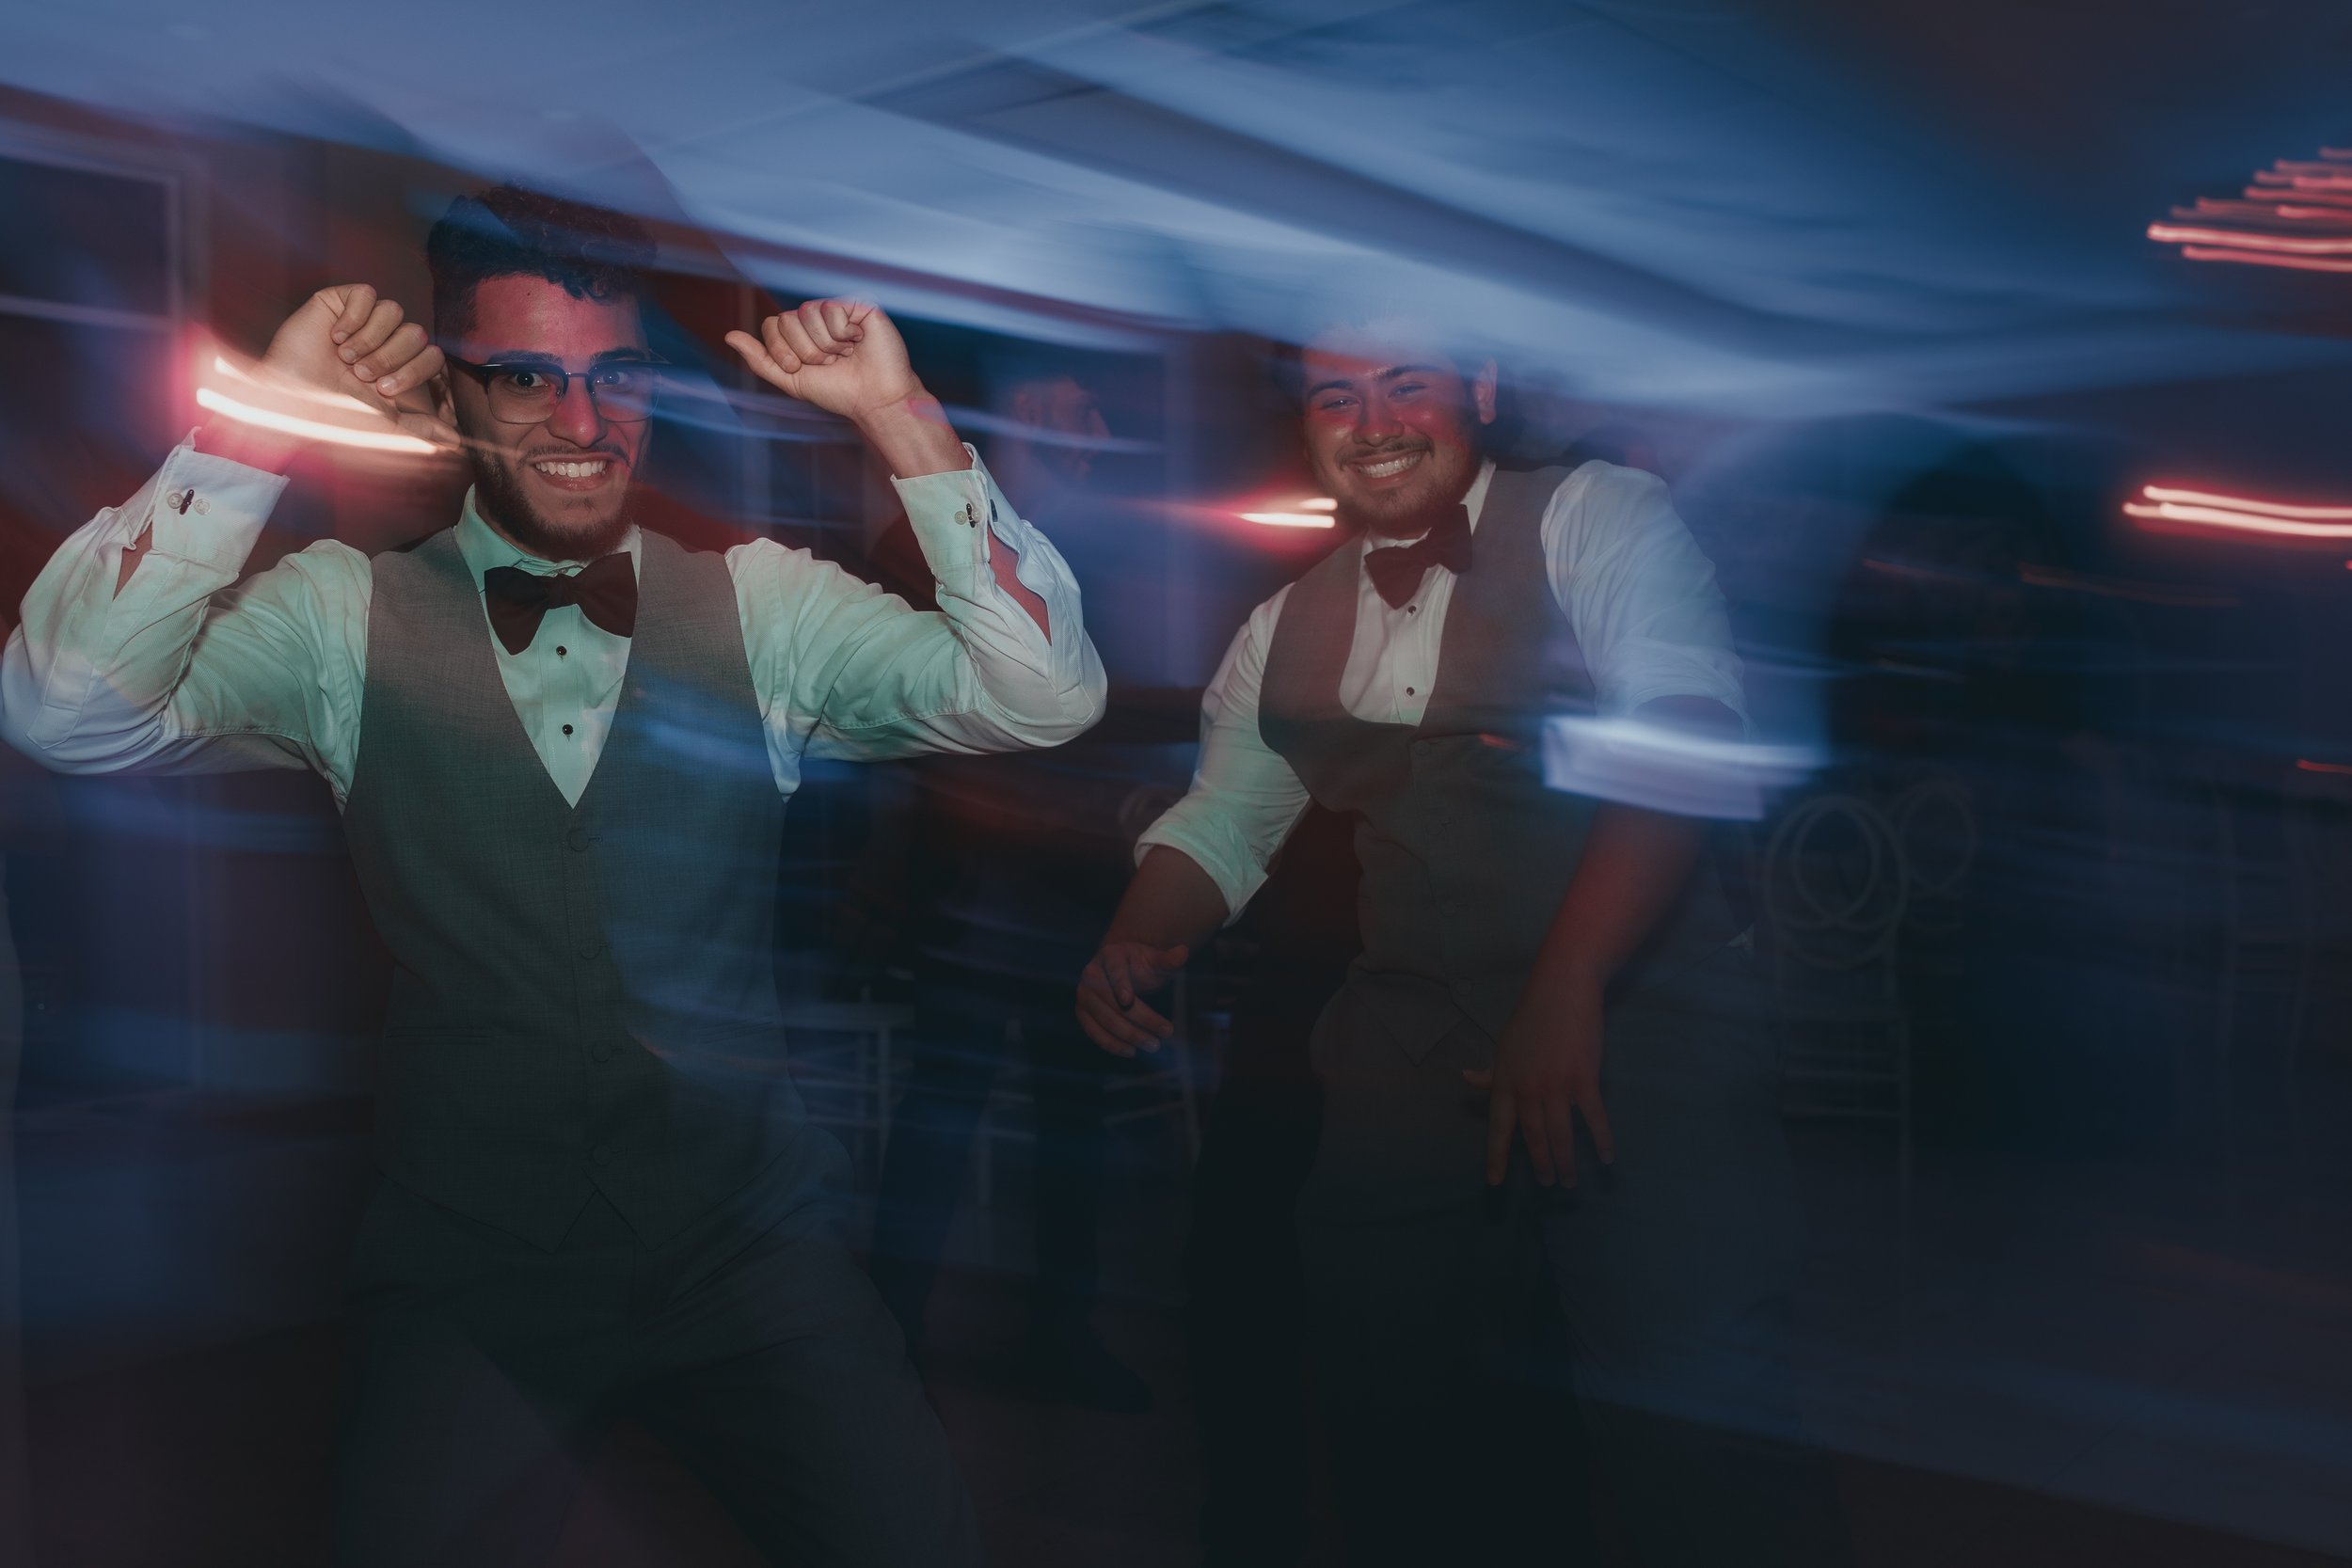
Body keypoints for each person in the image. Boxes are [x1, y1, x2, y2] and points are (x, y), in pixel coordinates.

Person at [0, 184, 1105, 1567]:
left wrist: (902, 418)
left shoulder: (767, 600)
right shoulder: (343, 612)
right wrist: (254, 419)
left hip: (748, 1260)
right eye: (524, 378)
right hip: (473, 1266)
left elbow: (1043, 696)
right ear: (457, 391)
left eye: (615, 375)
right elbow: (62, 710)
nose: (582, 426)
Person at [1077, 318, 1847, 1565]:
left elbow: (1684, 733)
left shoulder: (1596, 514)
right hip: (1408, 1044)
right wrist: (1138, 929)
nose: (1371, 420)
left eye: (1406, 382)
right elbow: (1227, 815)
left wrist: (1571, 982)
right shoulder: (1286, 622)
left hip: (1641, 1026)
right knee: (1395, 1404)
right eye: (1336, 392)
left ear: (1480, 386)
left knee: (1693, 1421)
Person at [864, 359, 1154, 1411]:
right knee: (941, 1125)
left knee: (1071, 1129)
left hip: (1065, 904)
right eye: (1082, 402)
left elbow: (1104, 708)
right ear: (1031, 410)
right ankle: (884, 1342)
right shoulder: (921, 540)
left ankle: (1059, 1335)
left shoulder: (1087, 544)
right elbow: (911, 728)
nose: (1100, 420)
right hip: (974, 906)